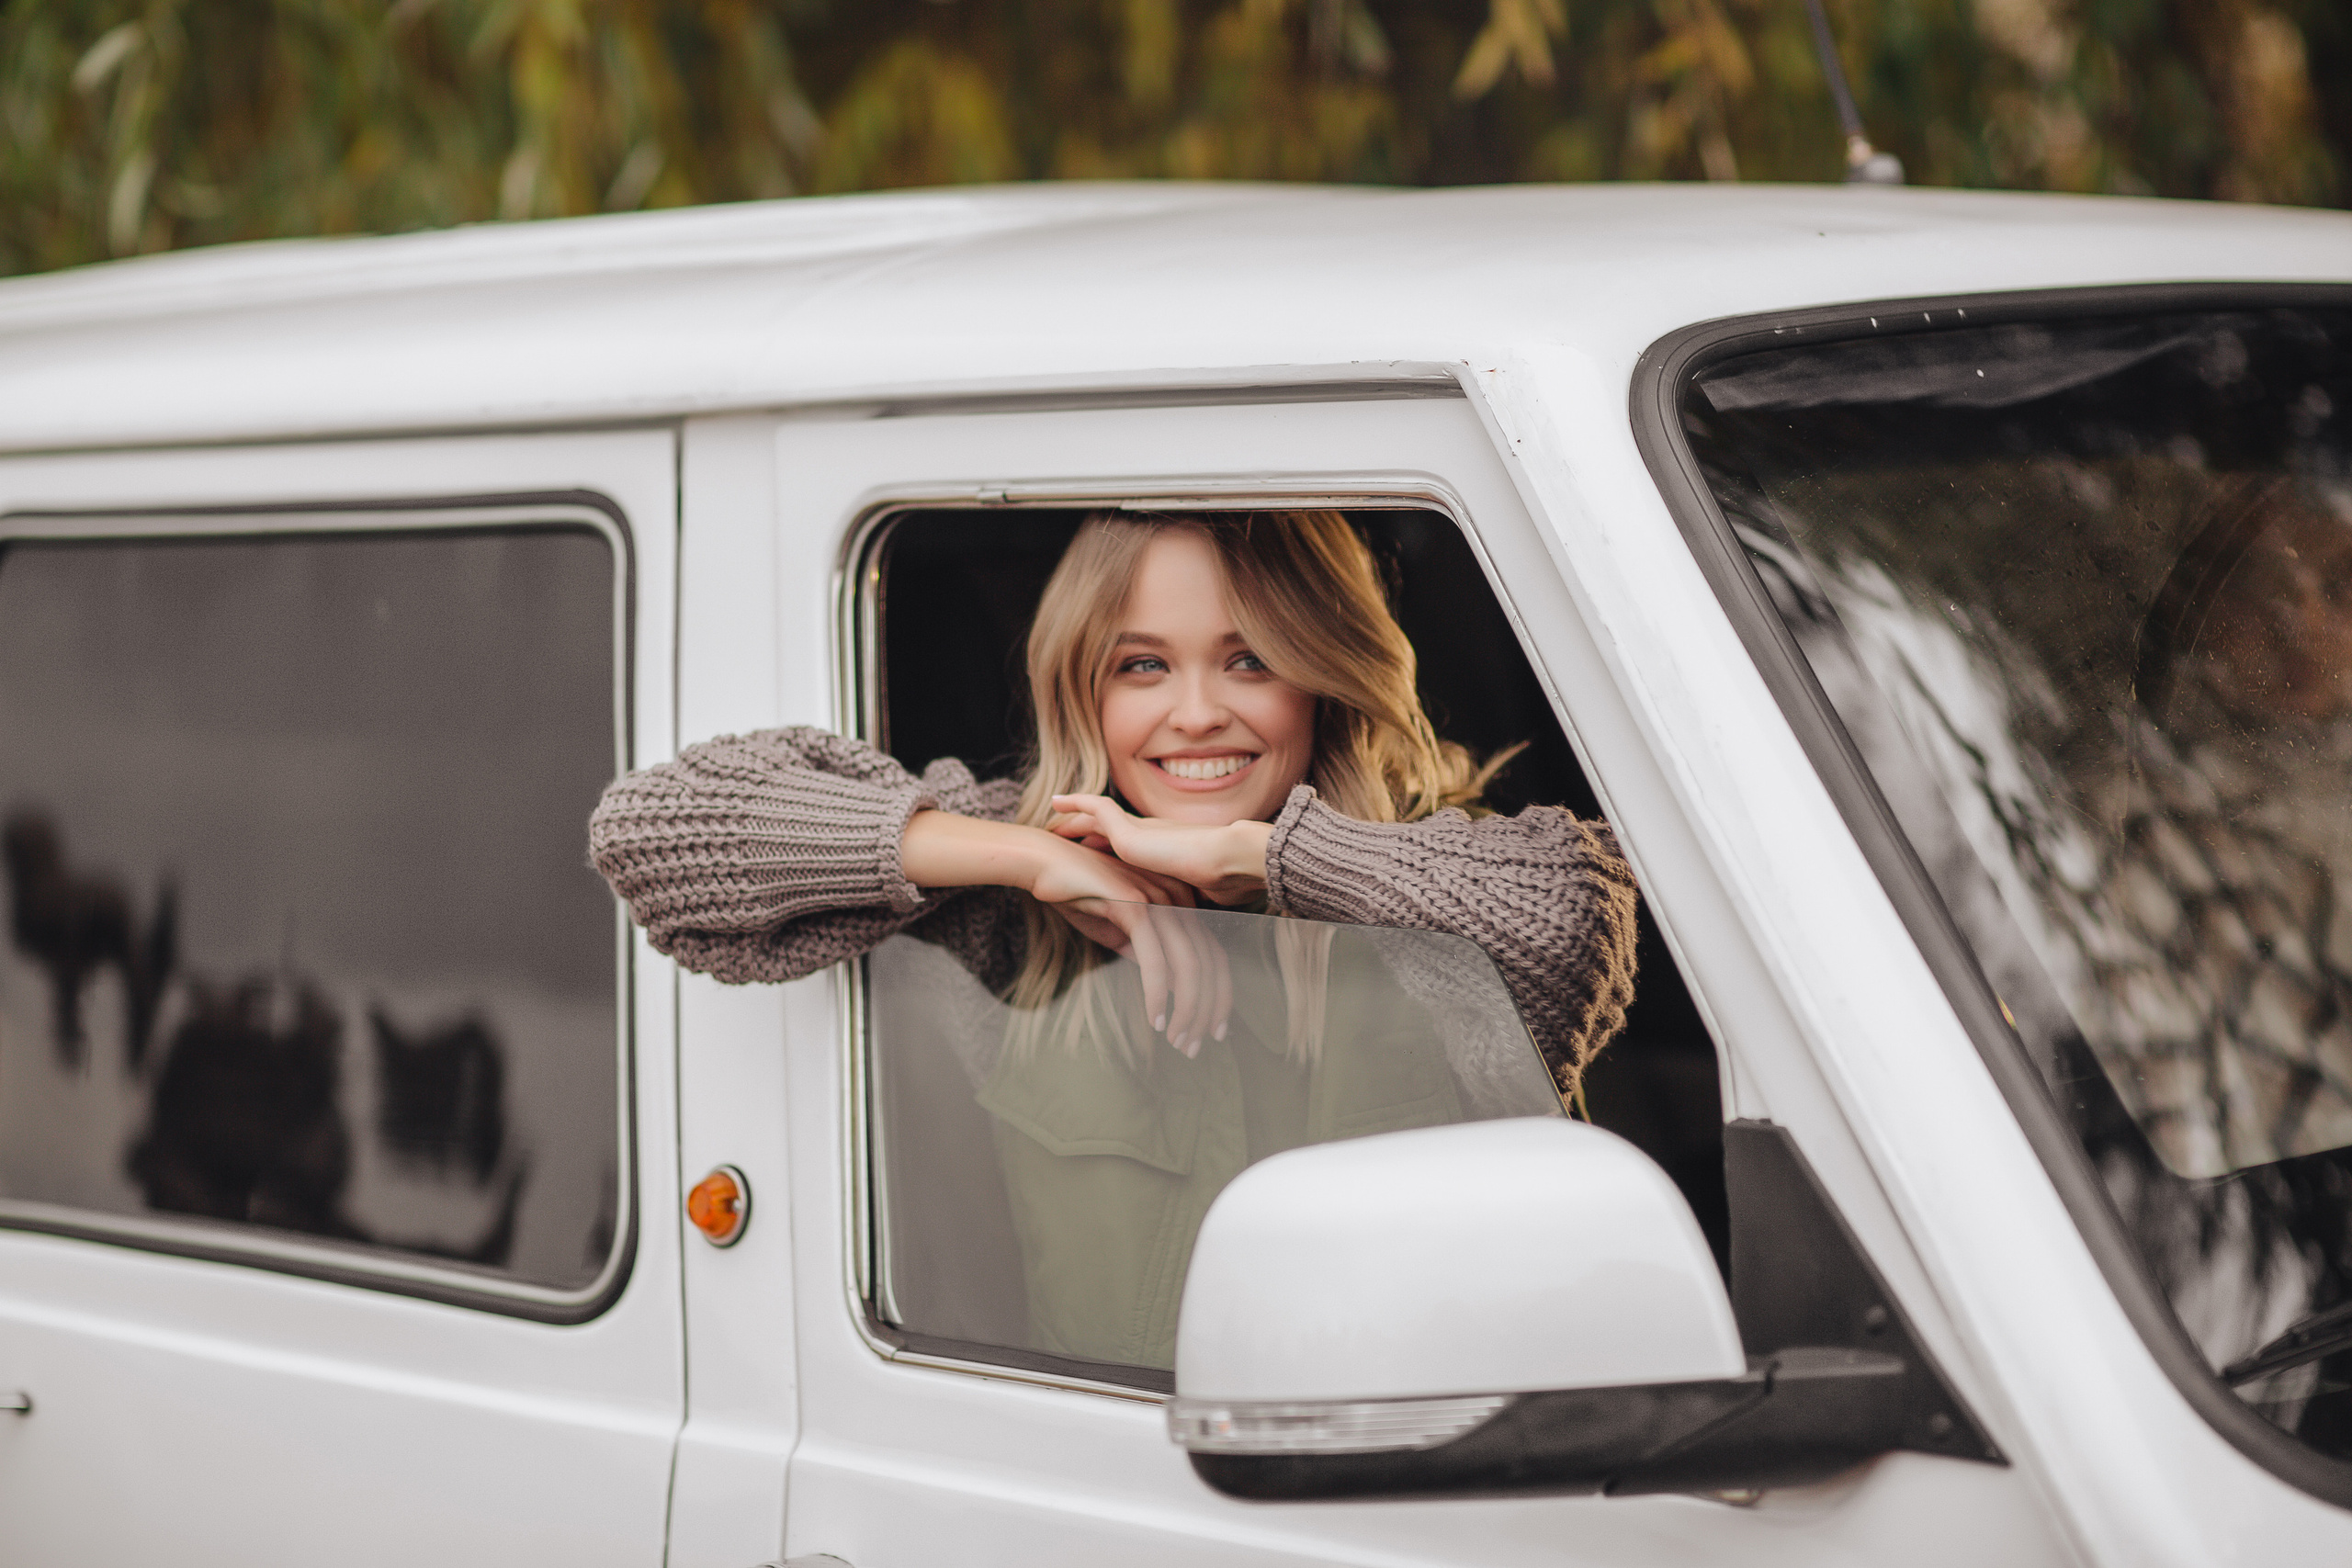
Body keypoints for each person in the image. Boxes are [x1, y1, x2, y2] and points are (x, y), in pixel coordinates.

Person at [590, 510, 1639, 1365]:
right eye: (1142, 665)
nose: (1194, 714)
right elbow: (654, 836)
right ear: (1082, 687)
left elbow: (1572, 914)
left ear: (1321, 673)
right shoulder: (1018, 898)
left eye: (1250, 660)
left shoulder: (1432, 869)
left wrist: (1262, 857)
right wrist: (1033, 859)